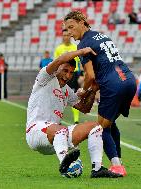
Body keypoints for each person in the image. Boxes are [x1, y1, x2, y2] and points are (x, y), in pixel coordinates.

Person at [26, 47, 122, 178]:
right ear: (57, 67)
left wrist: (92, 90)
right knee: (60, 129)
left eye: (71, 72)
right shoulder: (45, 77)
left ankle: (97, 169)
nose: (68, 75)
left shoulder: (66, 90)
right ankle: (66, 165)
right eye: (65, 70)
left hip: (56, 140)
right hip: (36, 132)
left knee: (96, 127)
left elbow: (84, 108)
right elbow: (61, 58)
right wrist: (81, 52)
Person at [64, 11, 137, 176]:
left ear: (82, 23)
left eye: (71, 27)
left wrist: (84, 90)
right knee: (109, 124)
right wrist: (94, 88)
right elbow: (105, 66)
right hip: (129, 80)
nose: (69, 32)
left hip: (113, 85)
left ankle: (116, 166)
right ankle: (117, 161)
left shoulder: (83, 44)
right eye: (67, 29)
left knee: (100, 128)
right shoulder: (102, 36)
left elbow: (90, 75)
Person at [54, 29, 81, 124]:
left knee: (74, 97)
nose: (66, 37)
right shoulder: (58, 49)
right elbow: (56, 62)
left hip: (74, 75)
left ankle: (76, 120)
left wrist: (81, 74)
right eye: (64, 35)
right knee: (59, 96)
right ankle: (57, 118)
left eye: (67, 35)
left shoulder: (75, 47)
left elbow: (79, 62)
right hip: (61, 75)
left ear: (70, 36)